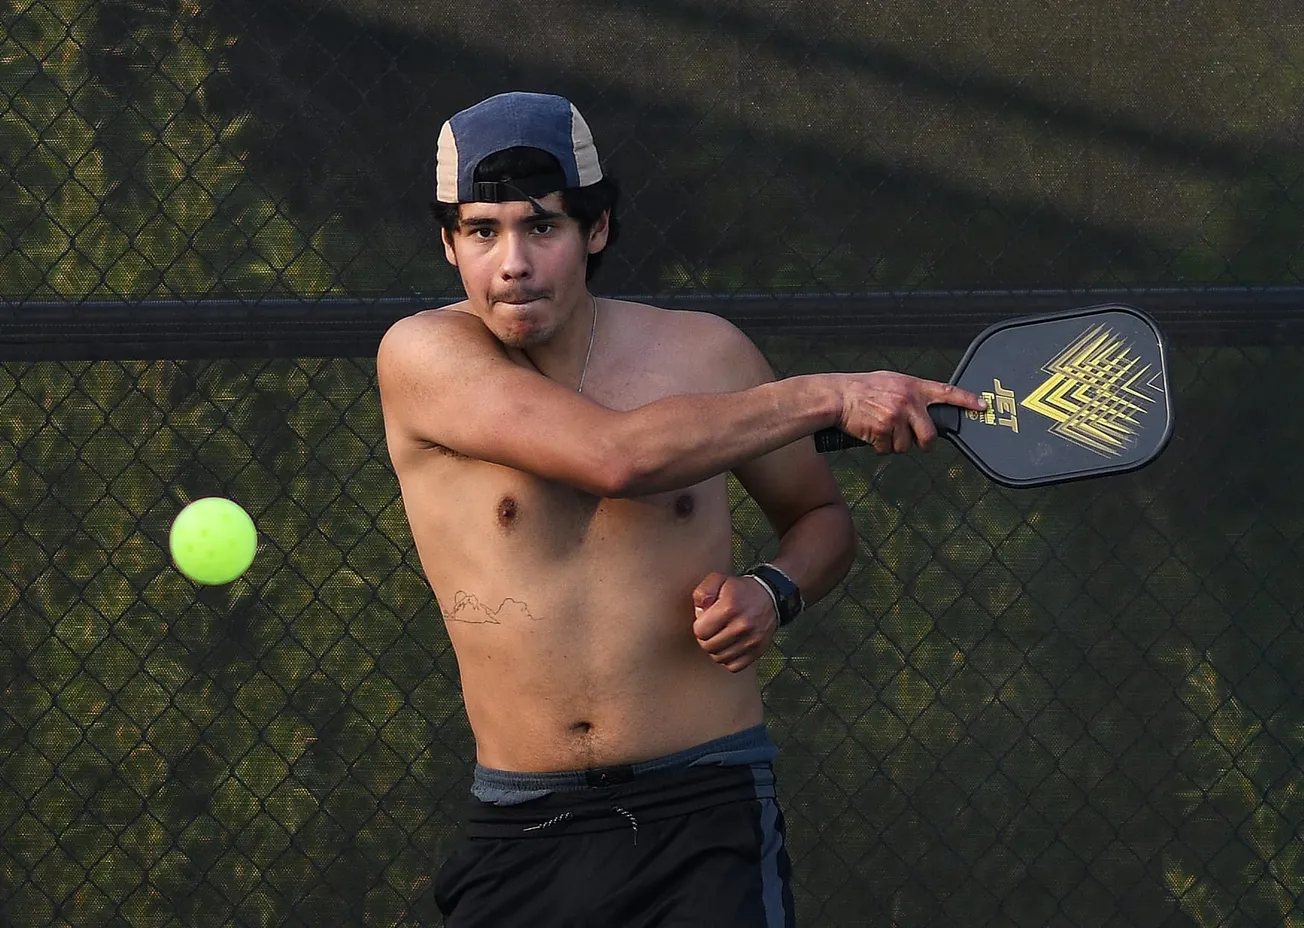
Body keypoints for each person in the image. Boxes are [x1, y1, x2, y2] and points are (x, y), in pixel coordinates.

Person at [376, 91, 986, 927]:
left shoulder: (711, 356)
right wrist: (830, 394)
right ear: (449, 244)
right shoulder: (423, 355)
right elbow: (615, 457)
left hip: (706, 812)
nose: (511, 262)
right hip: (521, 828)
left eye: (541, 226)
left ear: (596, 230)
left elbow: (820, 519)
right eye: (482, 231)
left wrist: (775, 590)